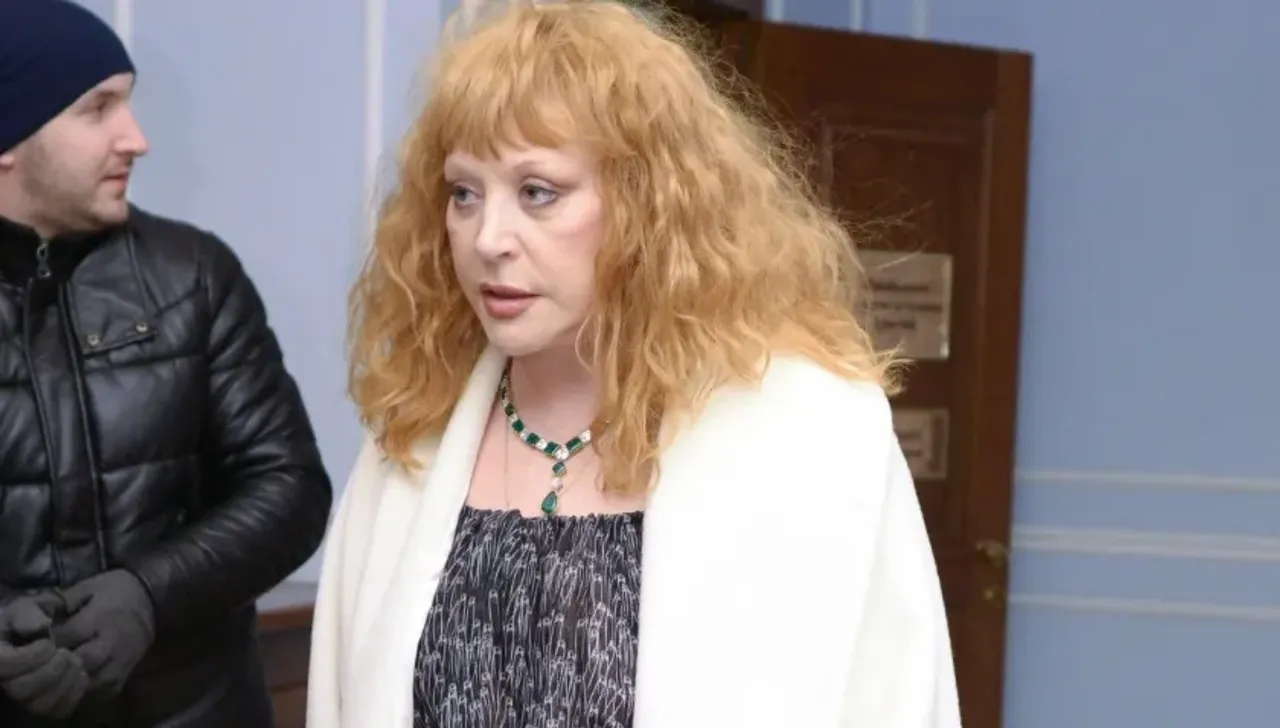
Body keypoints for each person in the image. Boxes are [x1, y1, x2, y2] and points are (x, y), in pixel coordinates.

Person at [308, 1, 960, 726]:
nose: (488, 237)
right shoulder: (410, 441)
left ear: (646, 204)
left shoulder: (814, 435)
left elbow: (897, 701)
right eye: (463, 193)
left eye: (537, 192)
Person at [0, 2, 334, 726]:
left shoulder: (194, 276)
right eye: (98, 108)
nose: (136, 139)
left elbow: (289, 488)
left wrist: (148, 594)